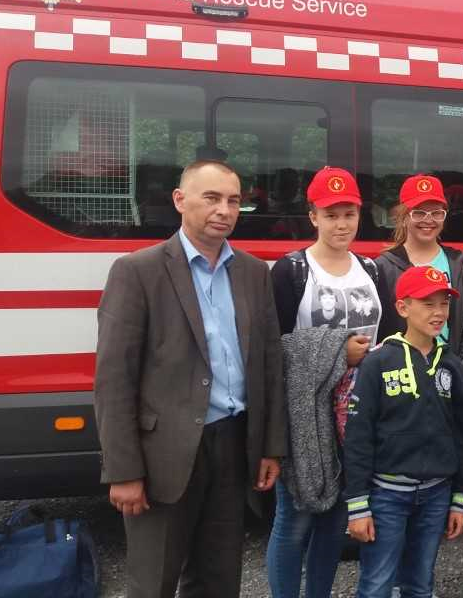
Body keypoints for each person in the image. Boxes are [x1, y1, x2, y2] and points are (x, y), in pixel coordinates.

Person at [94, 159, 286, 598]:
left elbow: (270, 365)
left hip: (234, 444)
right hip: (165, 455)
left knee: (219, 579)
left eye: (234, 200)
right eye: (212, 197)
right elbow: (113, 379)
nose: (224, 210)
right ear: (180, 201)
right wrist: (123, 471)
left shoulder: (255, 274)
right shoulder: (137, 272)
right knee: (153, 581)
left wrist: (270, 446)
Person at [267, 166, 383, 598]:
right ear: (312, 216)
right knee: (294, 521)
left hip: (358, 413)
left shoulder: (371, 269)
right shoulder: (291, 271)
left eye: (349, 213)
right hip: (306, 415)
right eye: (331, 214)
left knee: (336, 521)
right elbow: (273, 347)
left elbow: (386, 337)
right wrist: (338, 350)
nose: (341, 223)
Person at [343, 266, 463, 598]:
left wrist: (459, 499)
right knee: (376, 583)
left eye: (443, 303)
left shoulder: (452, 365)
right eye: (427, 303)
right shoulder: (378, 362)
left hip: (436, 493)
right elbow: (358, 436)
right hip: (386, 494)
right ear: (403, 308)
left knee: (420, 582)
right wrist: (358, 504)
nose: (438, 312)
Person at [376, 174, 463, 357]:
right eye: (418, 212)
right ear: (403, 217)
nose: (428, 220)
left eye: (436, 213)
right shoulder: (383, 268)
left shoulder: (462, 264)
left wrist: (458, 367)